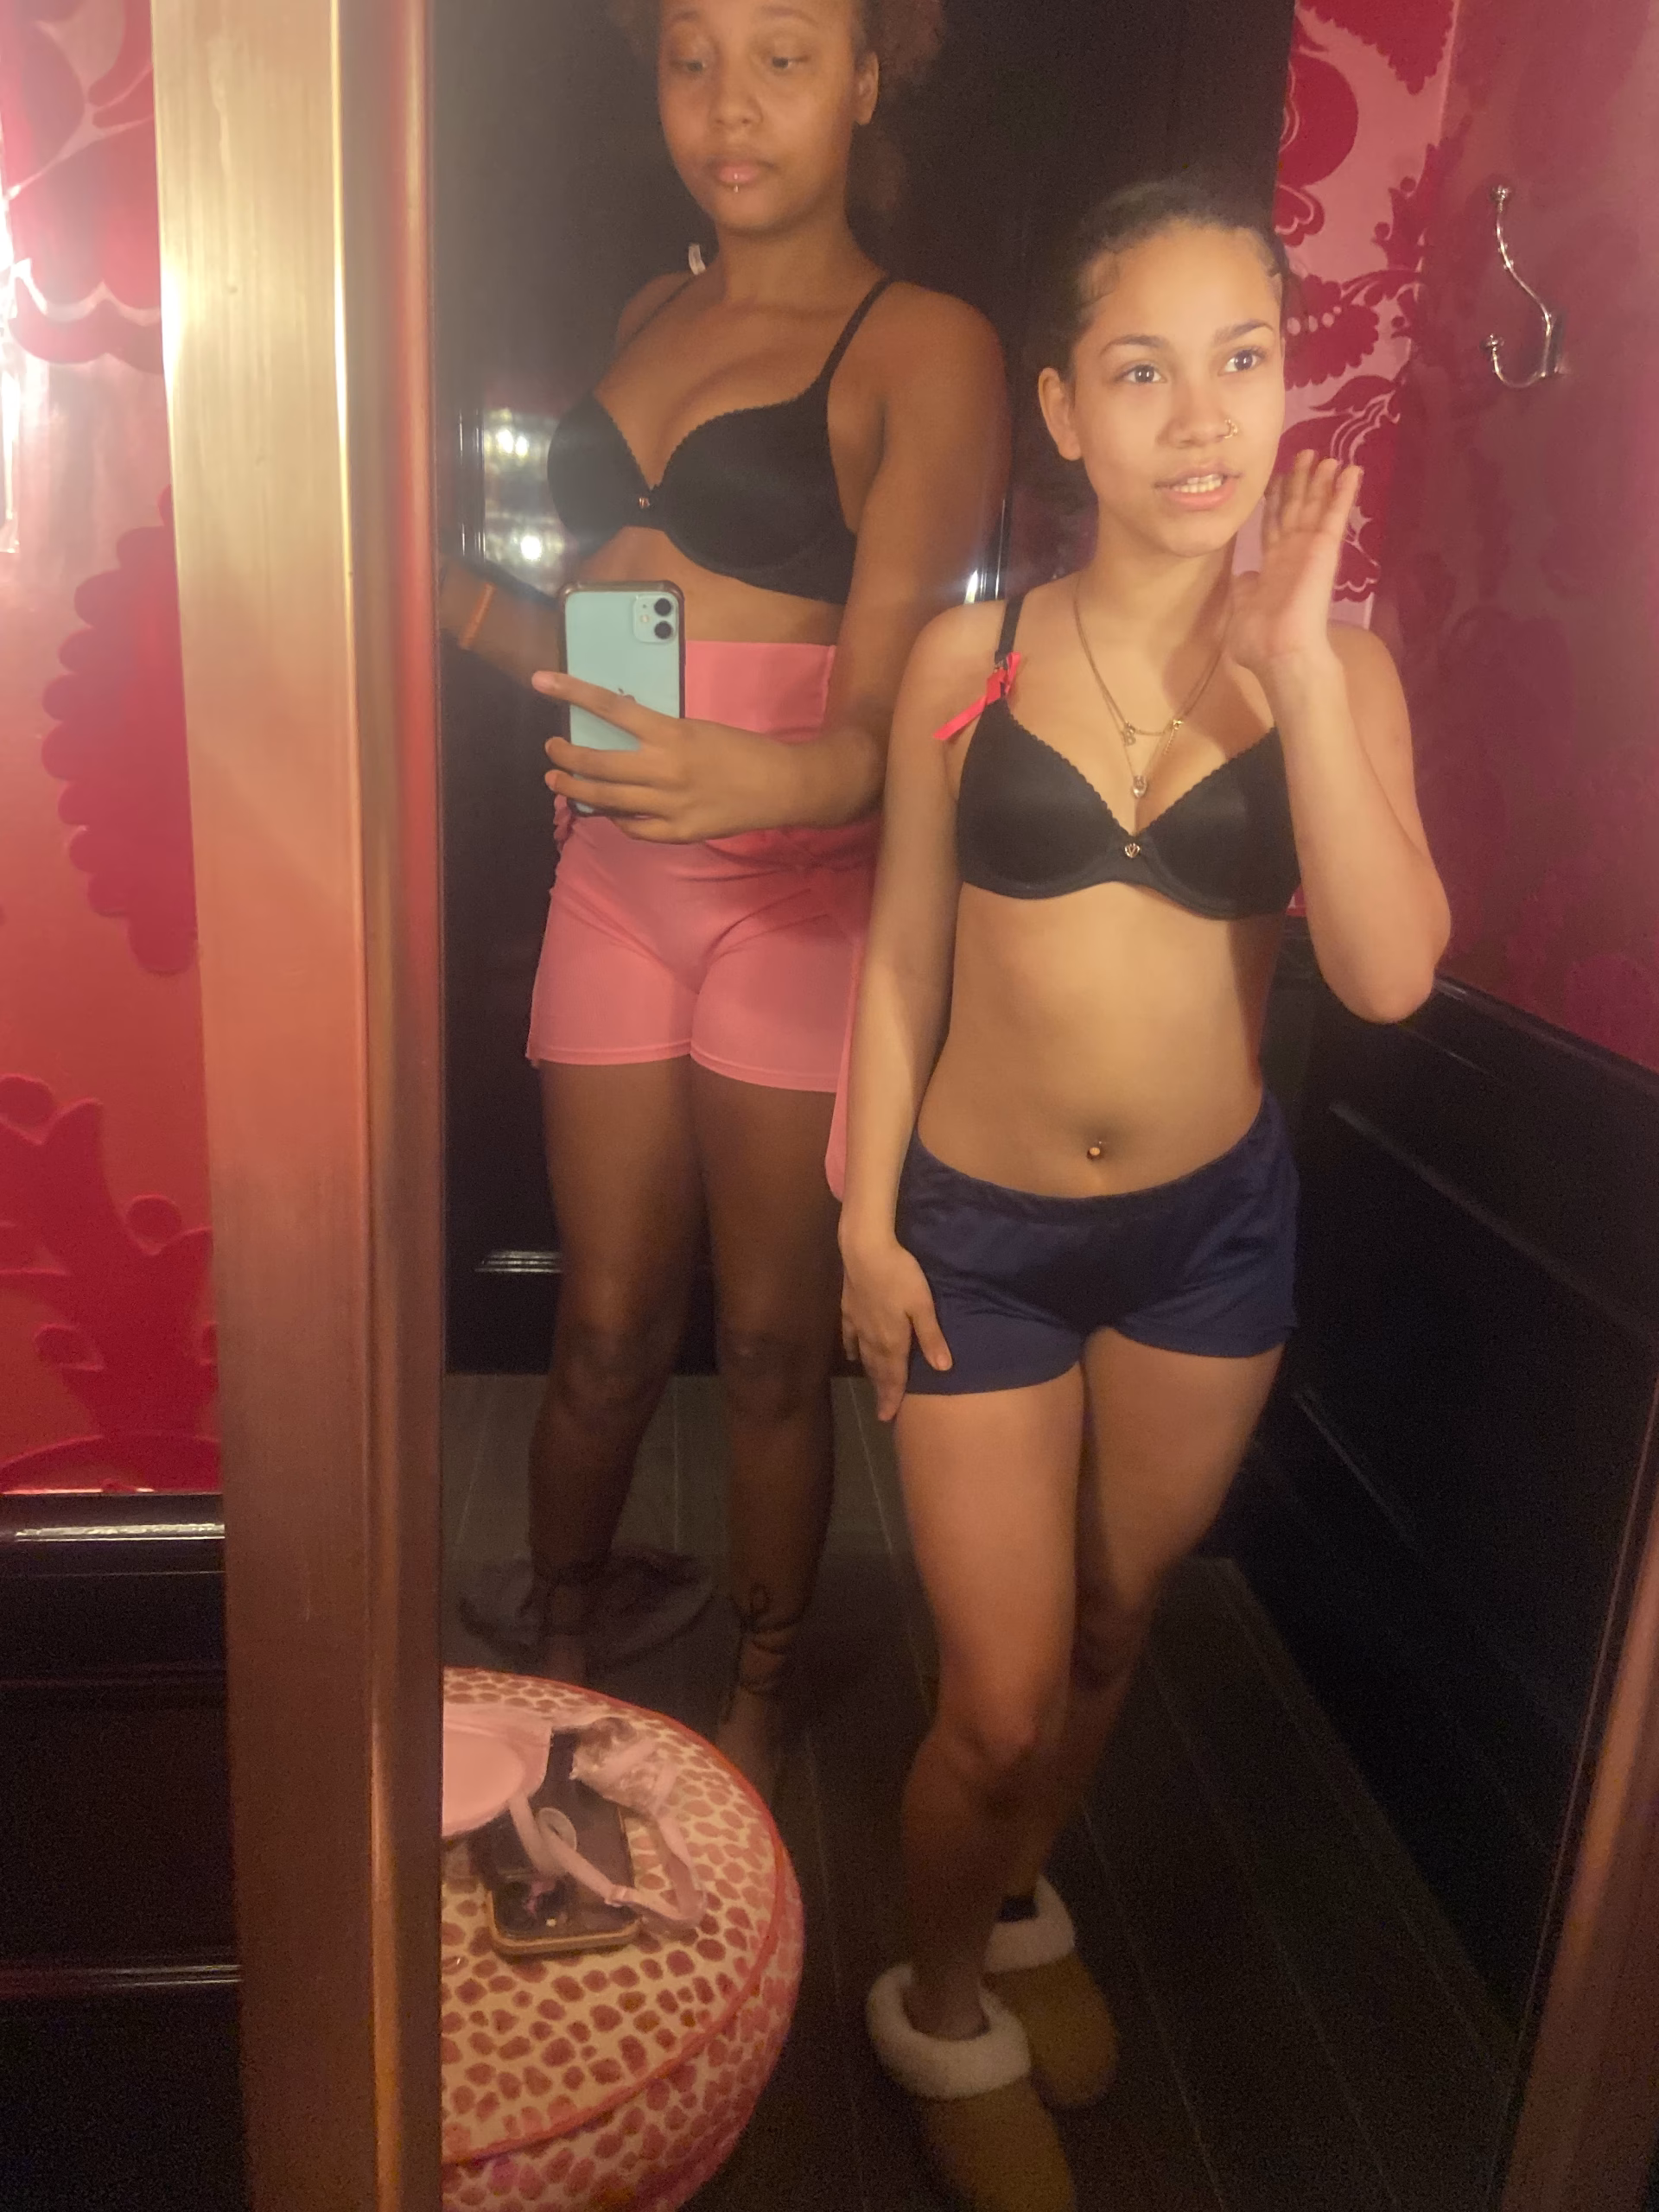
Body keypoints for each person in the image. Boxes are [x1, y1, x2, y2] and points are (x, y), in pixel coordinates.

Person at [840, 177, 1449, 2212]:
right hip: (980, 1238)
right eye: (1142, 369)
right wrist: (863, 1223)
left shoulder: (1342, 670)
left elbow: (1386, 974)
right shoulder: (968, 654)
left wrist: (1294, 662)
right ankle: (939, 2000)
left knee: (1111, 1626)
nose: (1202, 418)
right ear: (1064, 410)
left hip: (1209, 1238)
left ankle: (1018, 1898)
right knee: (996, 1692)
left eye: (1243, 360)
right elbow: (902, 961)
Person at [471, 0, 1008, 1799]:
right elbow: (610, 619)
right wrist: (452, 609)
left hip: (800, 900)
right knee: (604, 1326)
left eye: (783, 55)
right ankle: (560, 1667)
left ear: (866, 77)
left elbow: (891, 725)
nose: (728, 103)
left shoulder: (926, 345)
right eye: (690, 55)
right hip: (617, 880)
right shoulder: (648, 311)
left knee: (775, 1342)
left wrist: (749, 782)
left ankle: (759, 1710)